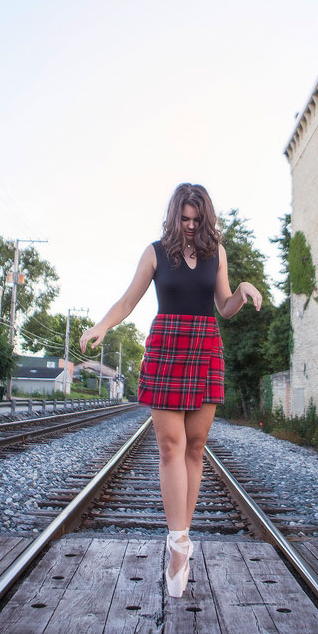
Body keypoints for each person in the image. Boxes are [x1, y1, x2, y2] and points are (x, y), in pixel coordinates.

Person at [80, 182, 262, 597]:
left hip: (204, 346)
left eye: (198, 220)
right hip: (166, 346)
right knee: (169, 446)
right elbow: (128, 301)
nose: (192, 225)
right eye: (186, 218)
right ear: (175, 215)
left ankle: (183, 536)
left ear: (206, 218)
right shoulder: (155, 253)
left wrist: (241, 291)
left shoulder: (217, 253)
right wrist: (101, 326)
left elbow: (224, 306)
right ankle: (178, 542)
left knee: (196, 447)